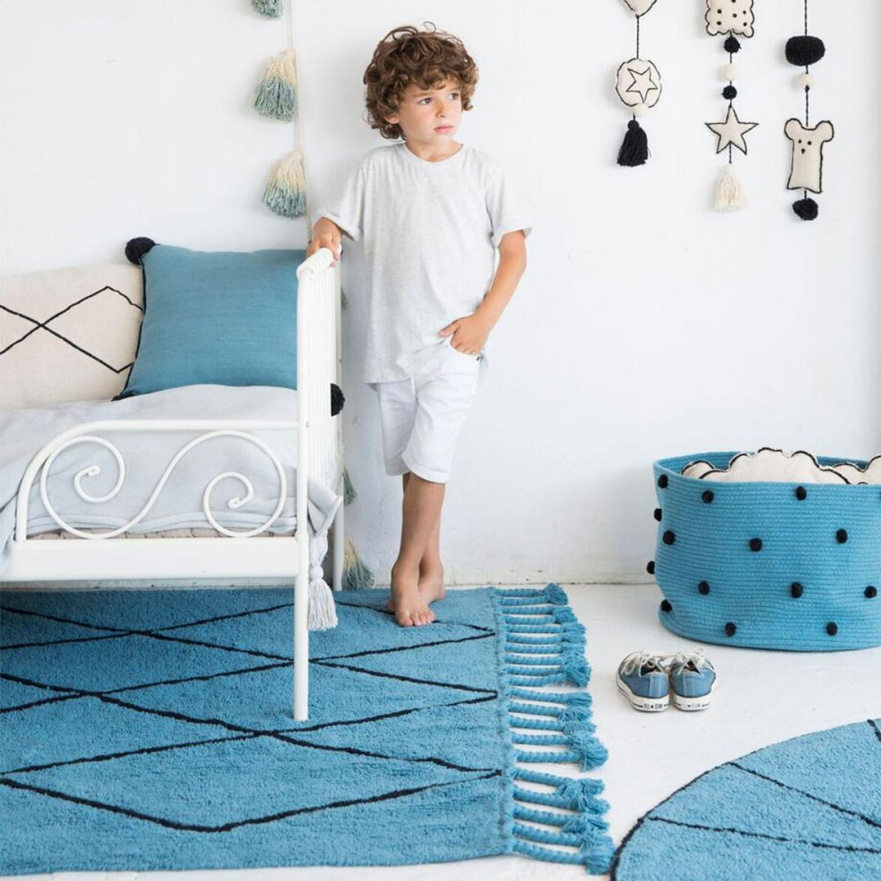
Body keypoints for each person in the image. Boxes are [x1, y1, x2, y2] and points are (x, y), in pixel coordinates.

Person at [307, 23, 530, 627]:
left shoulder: (484, 171)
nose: (444, 110)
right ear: (392, 110)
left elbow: (514, 254)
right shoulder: (375, 170)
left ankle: (403, 572)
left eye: (452, 96)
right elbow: (334, 223)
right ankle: (434, 569)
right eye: (426, 99)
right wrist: (324, 233)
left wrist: (482, 323)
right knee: (413, 465)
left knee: (431, 459)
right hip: (392, 346)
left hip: (455, 346)